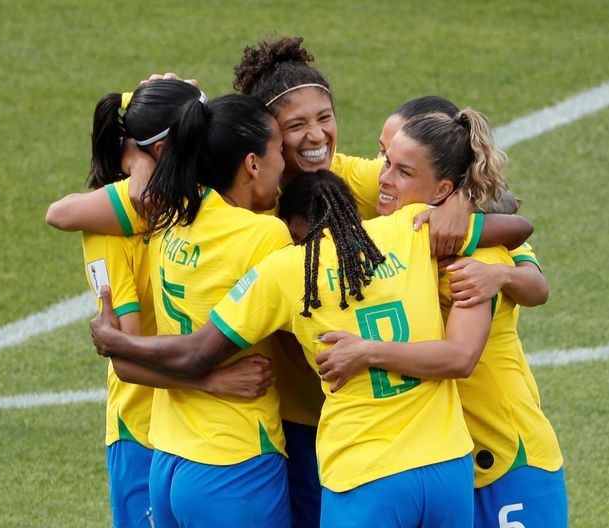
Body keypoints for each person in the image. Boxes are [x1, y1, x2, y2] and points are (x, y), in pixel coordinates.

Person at [91, 167, 502, 526]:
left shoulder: (287, 270)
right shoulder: (409, 228)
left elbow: (198, 351)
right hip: (447, 465)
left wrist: (117, 342)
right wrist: (463, 202)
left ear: (292, 227)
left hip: (364, 473)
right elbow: (513, 223)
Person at [319, 108, 568, 527]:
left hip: (505, 457)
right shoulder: (405, 237)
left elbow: (463, 354)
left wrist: (503, 275)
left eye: (402, 170)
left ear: (445, 187)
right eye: (384, 161)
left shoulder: (477, 252)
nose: (382, 177)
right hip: (448, 464)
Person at [47, 82, 280, 528]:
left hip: (187, 433)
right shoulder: (127, 215)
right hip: (143, 426)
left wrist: (135, 156)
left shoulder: (188, 197)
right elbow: (126, 356)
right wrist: (213, 380)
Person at [376, 96, 549, 308]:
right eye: (385, 153)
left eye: (405, 168)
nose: (380, 171)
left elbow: (538, 289)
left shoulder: (468, 235)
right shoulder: (388, 193)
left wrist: (502, 275)